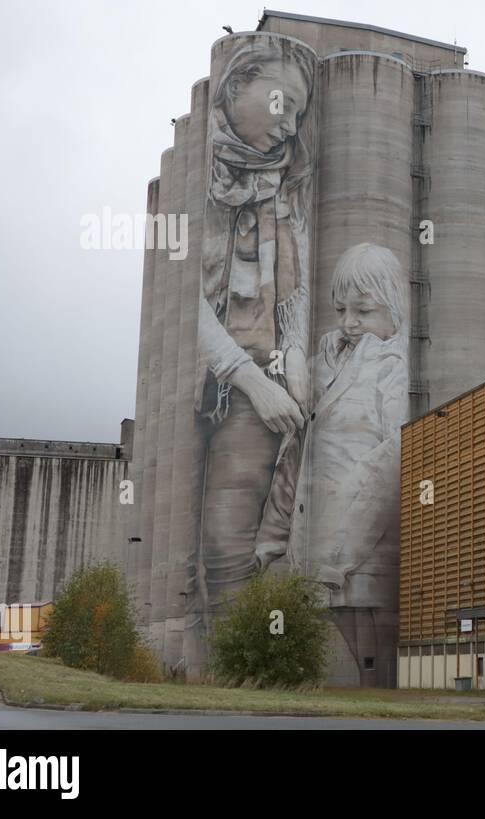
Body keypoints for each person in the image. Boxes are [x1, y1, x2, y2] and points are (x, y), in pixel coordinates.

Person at [194, 37, 317, 606]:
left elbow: (297, 292)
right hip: (229, 382)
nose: (290, 125)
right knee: (221, 548)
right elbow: (185, 306)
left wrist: (293, 356)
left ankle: (267, 654)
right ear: (236, 84)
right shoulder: (197, 185)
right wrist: (251, 382)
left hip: (278, 380)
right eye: (281, 105)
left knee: (279, 539)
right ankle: (221, 668)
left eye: (298, 114)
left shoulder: (287, 188)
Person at [254, 243, 409, 610]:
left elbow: (391, 463)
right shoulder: (322, 360)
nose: (348, 322)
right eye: (341, 310)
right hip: (304, 549)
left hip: (356, 565)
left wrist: (333, 562)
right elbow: (292, 461)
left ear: (395, 308)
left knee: (359, 652)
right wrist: (269, 542)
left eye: (363, 311)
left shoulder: (393, 370)